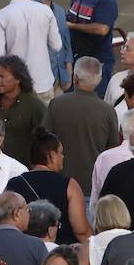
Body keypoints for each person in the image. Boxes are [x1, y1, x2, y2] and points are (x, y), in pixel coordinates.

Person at [44, 57, 118, 194]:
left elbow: (44, 140)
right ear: (99, 79)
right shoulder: (108, 111)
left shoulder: (56, 104)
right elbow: (112, 148)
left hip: (60, 182)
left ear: (75, 77)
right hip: (93, 184)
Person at [0, 56, 47, 168]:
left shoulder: (35, 106)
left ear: (18, 78)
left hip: (24, 170)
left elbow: (44, 142)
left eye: (2, 76)